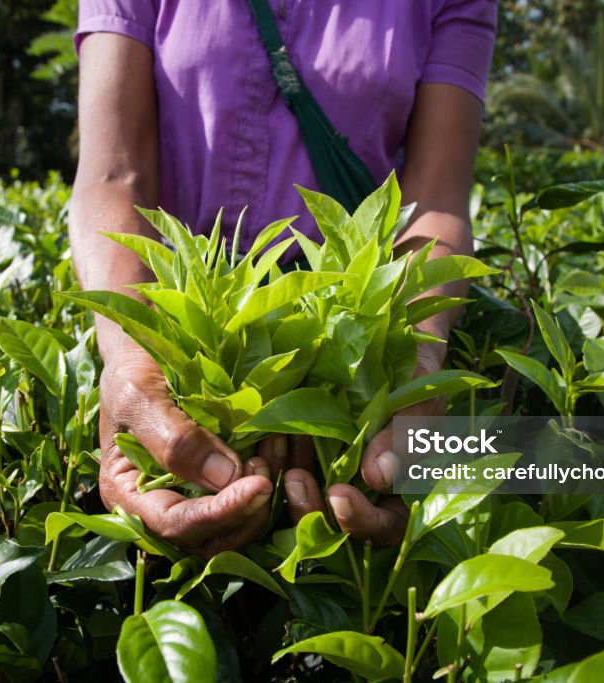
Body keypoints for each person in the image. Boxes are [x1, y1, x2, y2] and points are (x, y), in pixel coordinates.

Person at [69, 1, 496, 556]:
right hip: (180, 341)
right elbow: (112, 174)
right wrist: (130, 355)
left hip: (348, 339)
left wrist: (415, 366)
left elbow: (434, 202)